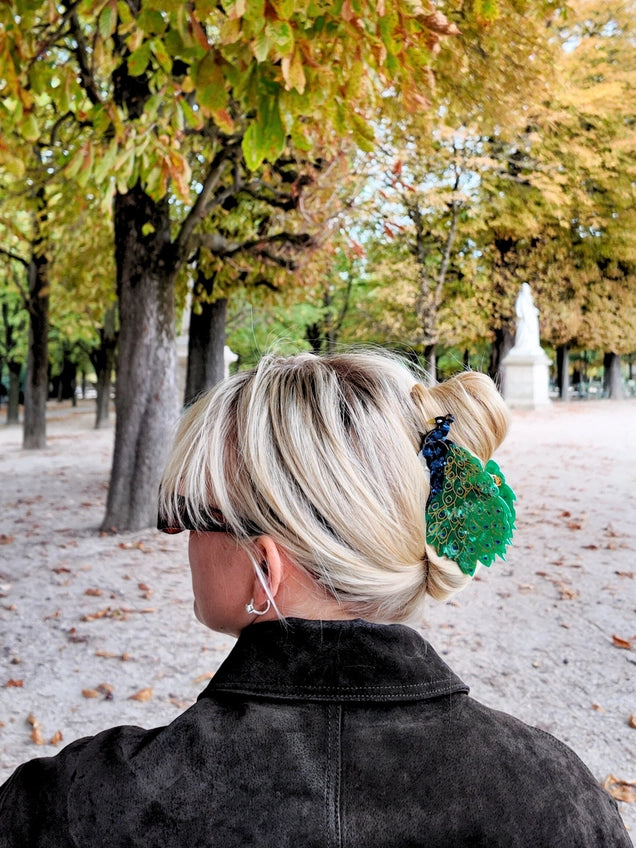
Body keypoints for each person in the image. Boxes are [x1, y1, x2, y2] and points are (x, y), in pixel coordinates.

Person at [0, 350, 629, 847]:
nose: (180, 537)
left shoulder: (77, 806)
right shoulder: (558, 796)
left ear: (265, 565)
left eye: (191, 513)